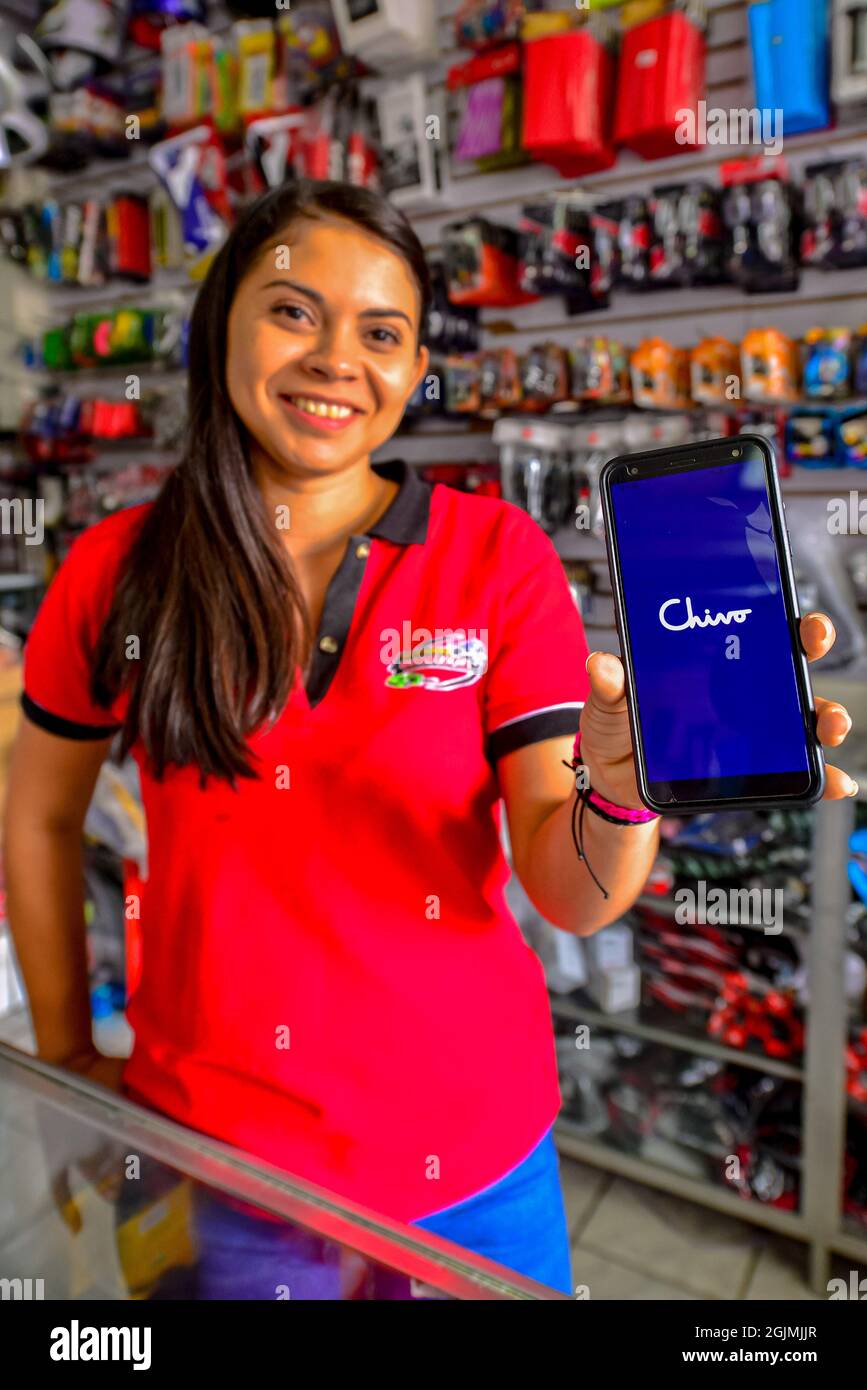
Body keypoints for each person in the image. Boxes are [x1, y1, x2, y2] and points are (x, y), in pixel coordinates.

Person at [4, 181, 855, 1300]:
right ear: (223, 328)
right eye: (294, 311)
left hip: (476, 1157)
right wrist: (64, 1055)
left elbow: (571, 889)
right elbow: (40, 811)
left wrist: (619, 794)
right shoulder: (118, 566)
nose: (336, 359)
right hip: (213, 1150)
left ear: (413, 372)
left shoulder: (496, 558)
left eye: (382, 333)